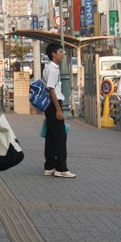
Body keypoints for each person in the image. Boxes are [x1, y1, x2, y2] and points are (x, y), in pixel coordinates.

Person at [43, 42, 75, 178]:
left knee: (51, 136)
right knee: (60, 137)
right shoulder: (53, 69)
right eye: (61, 52)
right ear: (54, 54)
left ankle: (50, 166)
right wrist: (58, 109)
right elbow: (51, 89)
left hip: (50, 105)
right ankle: (61, 168)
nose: (62, 54)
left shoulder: (48, 67)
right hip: (53, 104)